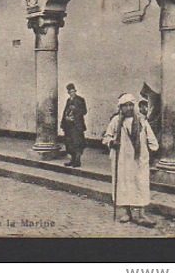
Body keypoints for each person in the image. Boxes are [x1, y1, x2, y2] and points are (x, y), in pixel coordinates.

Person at [102, 93, 159, 227]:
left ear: (134, 106)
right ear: (120, 108)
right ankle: (127, 212)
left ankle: (141, 215)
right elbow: (106, 138)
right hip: (122, 159)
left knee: (140, 183)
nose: (128, 108)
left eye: (130, 105)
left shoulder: (141, 120)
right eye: (125, 106)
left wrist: (152, 149)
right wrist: (112, 142)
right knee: (124, 184)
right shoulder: (116, 121)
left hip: (139, 159)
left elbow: (151, 138)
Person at [60, 83, 88, 167]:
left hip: (77, 126)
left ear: (75, 91)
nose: (72, 93)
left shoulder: (80, 100)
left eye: (73, 91)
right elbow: (65, 112)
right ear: (68, 93)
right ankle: (72, 160)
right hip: (69, 126)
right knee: (69, 143)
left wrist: (75, 111)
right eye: (70, 92)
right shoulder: (68, 101)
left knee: (77, 143)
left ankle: (77, 161)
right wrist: (64, 121)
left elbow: (84, 111)